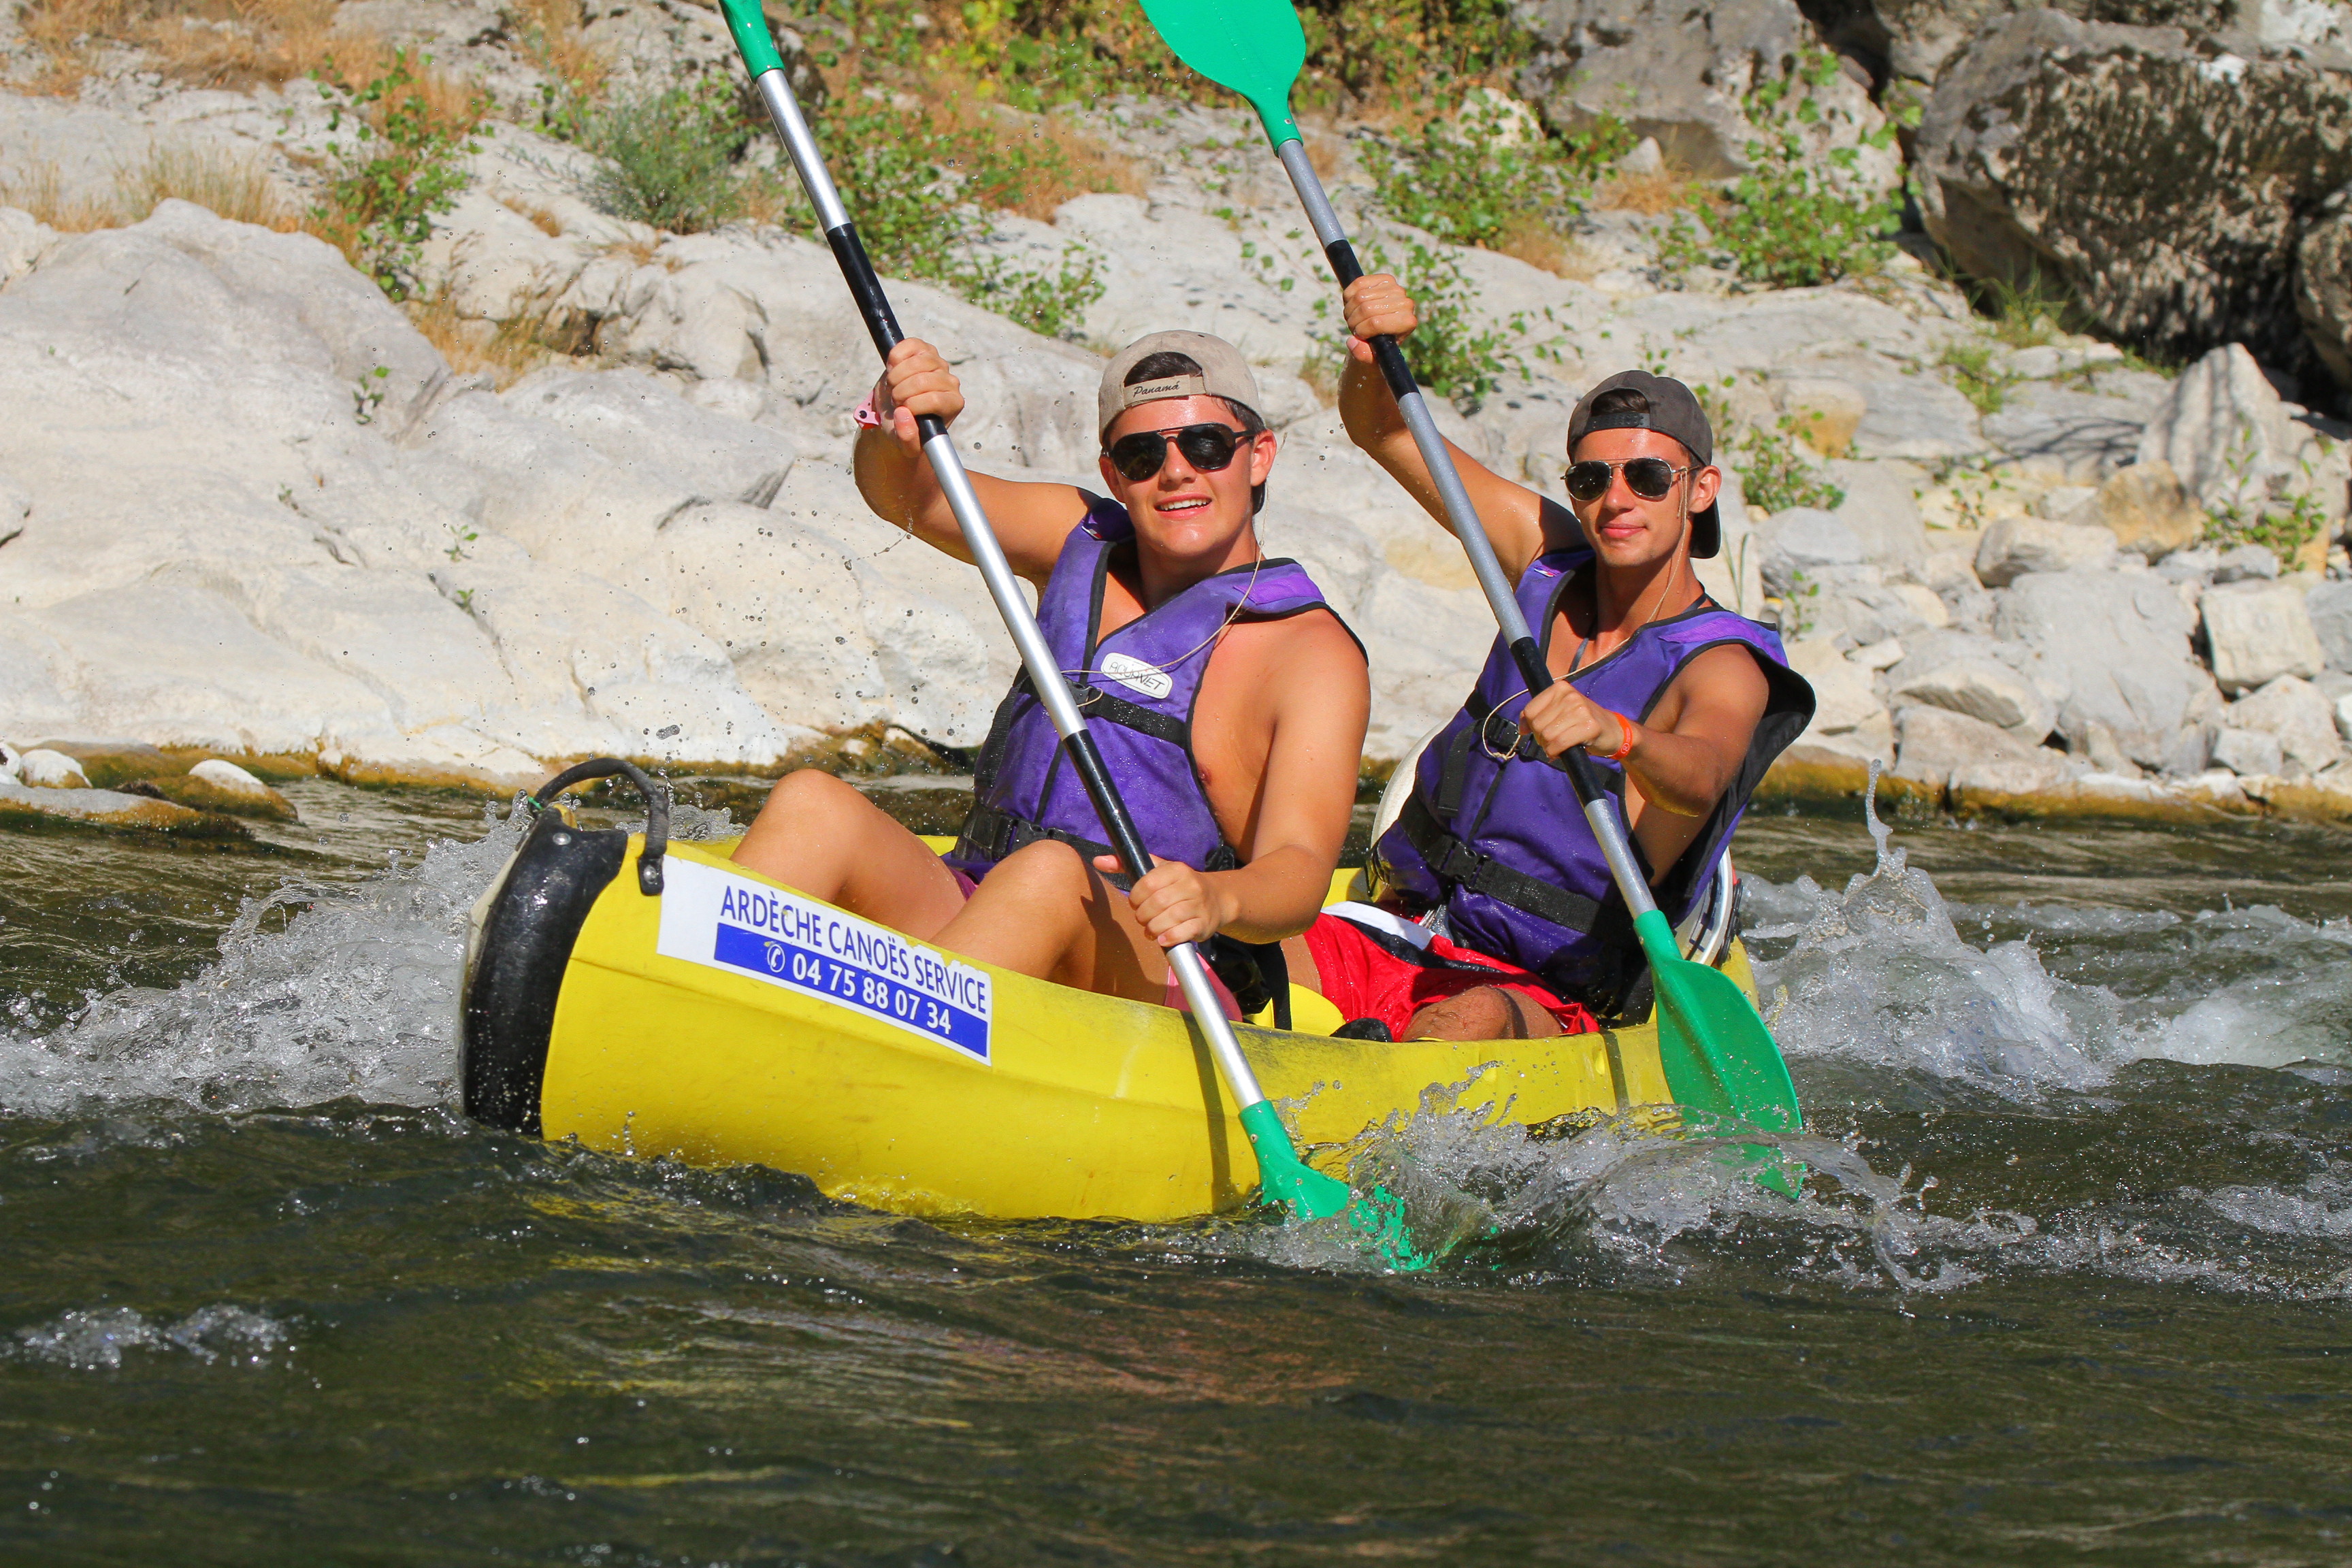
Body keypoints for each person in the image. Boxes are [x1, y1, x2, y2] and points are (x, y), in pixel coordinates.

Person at [732, 330, 1370, 1016]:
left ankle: (882, 1060)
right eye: (1142, 454)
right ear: (1114, 473)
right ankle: (698, 1011)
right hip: (983, 905)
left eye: (1207, 444)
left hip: (1160, 974)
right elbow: (908, 497)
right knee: (810, 802)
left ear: (1259, 456)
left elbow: (1302, 868)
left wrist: (1218, 898)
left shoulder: (1309, 652)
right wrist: (894, 429)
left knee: (1050, 875)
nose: (1176, 471)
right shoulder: (1079, 539)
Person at [1285, 274, 1816, 1042]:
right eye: (1592, 479)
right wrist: (1371, 353)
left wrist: (1617, 735)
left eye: (1648, 477)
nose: (1618, 498)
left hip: (1539, 990)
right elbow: (1386, 432)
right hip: (1399, 926)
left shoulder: (1721, 661)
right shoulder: (1544, 558)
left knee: (1464, 1021)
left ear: (1700, 489)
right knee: (1228, 955)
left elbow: (1701, 777)